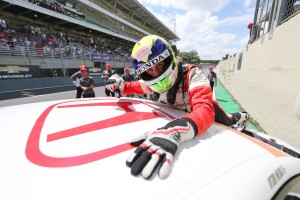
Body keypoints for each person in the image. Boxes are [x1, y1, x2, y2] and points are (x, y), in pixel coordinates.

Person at [105, 35, 249, 180]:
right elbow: (129, 87)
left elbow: (205, 110)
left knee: (230, 120)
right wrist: (117, 83)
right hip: (184, 119)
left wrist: (174, 130)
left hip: (207, 116)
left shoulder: (192, 73)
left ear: (170, 58)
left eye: (159, 64)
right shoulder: (150, 84)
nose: (156, 73)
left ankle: (243, 116)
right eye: (149, 70)